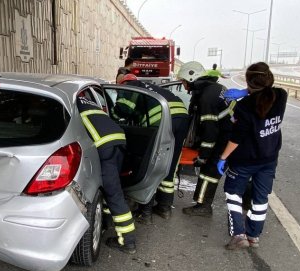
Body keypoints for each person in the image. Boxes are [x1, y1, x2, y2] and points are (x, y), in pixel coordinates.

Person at [217, 62, 287, 250]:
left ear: (248, 81)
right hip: (269, 159)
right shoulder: (280, 96)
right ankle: (254, 236)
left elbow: (236, 137)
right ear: (269, 78)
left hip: (244, 160)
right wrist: (248, 92)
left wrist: (223, 158)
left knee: (232, 192)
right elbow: (268, 92)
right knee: (261, 197)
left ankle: (239, 235)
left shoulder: (244, 107)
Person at [116, 74, 191, 223]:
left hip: (163, 120)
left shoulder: (129, 87)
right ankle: (165, 207)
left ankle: (145, 212)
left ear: (122, 83)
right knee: (170, 163)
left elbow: (122, 110)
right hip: (182, 118)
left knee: (152, 162)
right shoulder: (150, 87)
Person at [76, 96, 136, 254]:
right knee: (110, 187)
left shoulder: (67, 100)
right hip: (118, 139)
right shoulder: (84, 99)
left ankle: (127, 241)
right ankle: (106, 222)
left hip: (103, 144)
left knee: (113, 192)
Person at [180, 74, 234, 217]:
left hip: (225, 137)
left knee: (209, 172)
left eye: (184, 82)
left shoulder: (206, 99)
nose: (183, 85)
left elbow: (210, 131)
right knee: (240, 171)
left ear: (192, 80)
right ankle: (247, 200)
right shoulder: (216, 87)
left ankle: (203, 206)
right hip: (233, 133)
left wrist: (203, 156)